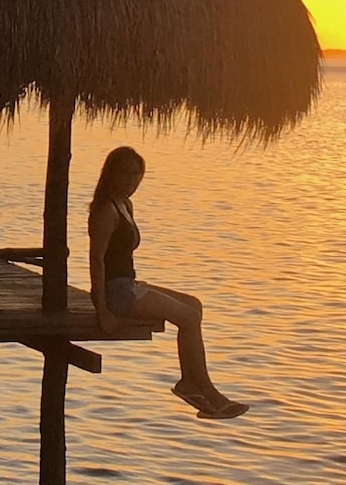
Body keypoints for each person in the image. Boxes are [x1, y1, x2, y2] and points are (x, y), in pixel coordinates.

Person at [88, 145, 248, 420]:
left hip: (128, 284)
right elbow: (96, 261)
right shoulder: (105, 210)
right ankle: (206, 391)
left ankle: (190, 381)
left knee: (193, 305)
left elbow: (120, 257)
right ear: (110, 173)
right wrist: (102, 309)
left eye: (137, 175)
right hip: (117, 293)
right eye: (125, 173)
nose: (131, 181)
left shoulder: (125, 205)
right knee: (188, 318)